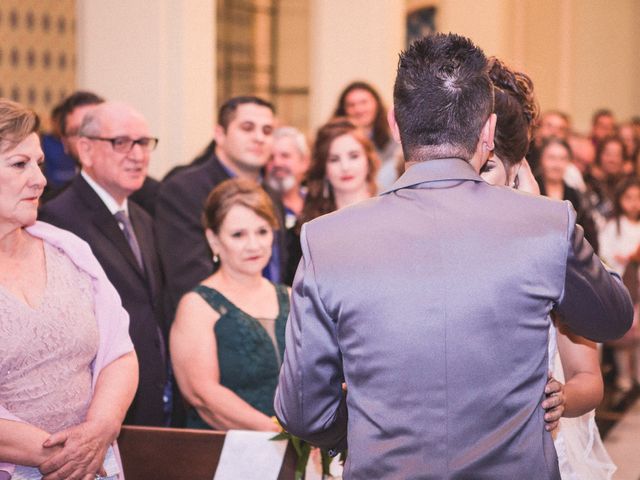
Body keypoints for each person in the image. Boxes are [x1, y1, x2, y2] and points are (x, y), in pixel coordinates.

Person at [274, 33, 633, 479]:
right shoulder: (545, 225)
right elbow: (613, 318)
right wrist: (551, 220)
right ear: (486, 129)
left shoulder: (325, 239)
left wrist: (367, 431)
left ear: (394, 122)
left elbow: (304, 410)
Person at [481, 58, 615, 479]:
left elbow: (588, 378)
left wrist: (563, 399)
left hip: (542, 452)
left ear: (516, 171)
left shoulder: (550, 246)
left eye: (485, 169)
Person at [0, 99, 138, 479]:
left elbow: (119, 353)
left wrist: (99, 432)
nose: (40, 179)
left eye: (39, 163)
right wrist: (67, 455)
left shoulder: (69, 250)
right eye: (19, 164)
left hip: (93, 465)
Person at [39, 102, 168, 426]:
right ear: (86, 149)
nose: (137, 155)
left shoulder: (140, 216)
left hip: (149, 396)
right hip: (97, 406)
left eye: (143, 143)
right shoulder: (59, 219)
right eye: (121, 142)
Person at [170, 178, 286, 432]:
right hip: (224, 454)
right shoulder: (198, 305)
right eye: (238, 235)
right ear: (213, 240)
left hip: (298, 453)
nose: (254, 245)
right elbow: (202, 394)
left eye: (262, 231)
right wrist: (278, 434)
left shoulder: (290, 296)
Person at [155, 96, 287, 318]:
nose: (259, 138)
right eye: (247, 128)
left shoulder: (272, 196)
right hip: (214, 326)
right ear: (220, 134)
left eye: (267, 131)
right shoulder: (185, 189)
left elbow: (278, 269)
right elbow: (189, 280)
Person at [284, 118, 379, 284]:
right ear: (324, 169)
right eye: (334, 159)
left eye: (353, 156)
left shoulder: (390, 215)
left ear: (368, 161)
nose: (345, 167)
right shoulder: (306, 230)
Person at [598, 177, 640, 393]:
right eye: (629, 198)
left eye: (637, 198)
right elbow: (604, 254)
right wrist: (621, 258)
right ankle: (624, 375)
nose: (634, 203)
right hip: (623, 286)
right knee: (625, 335)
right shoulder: (613, 226)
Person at [334, 81, 402, 190]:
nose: (358, 109)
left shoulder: (394, 138)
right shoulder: (335, 142)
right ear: (343, 110)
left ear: (376, 104)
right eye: (351, 105)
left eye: (364, 102)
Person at [535, 137, 599, 252]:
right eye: (551, 158)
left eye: (562, 159)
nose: (557, 164)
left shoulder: (577, 196)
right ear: (541, 159)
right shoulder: (530, 191)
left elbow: (589, 237)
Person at [265, 126, 310, 229]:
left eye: (285, 156)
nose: (277, 163)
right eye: (271, 157)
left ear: (304, 161)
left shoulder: (317, 201)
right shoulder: (260, 205)